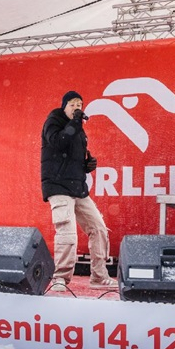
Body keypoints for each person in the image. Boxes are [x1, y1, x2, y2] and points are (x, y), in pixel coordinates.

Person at [41, 90, 118, 291]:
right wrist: (76, 122)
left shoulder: (78, 129)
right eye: (73, 104)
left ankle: (99, 276)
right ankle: (60, 277)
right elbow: (58, 142)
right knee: (67, 231)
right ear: (64, 106)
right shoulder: (53, 121)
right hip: (58, 186)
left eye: (80, 105)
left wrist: (86, 165)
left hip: (77, 187)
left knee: (98, 228)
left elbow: (70, 157)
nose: (77, 108)